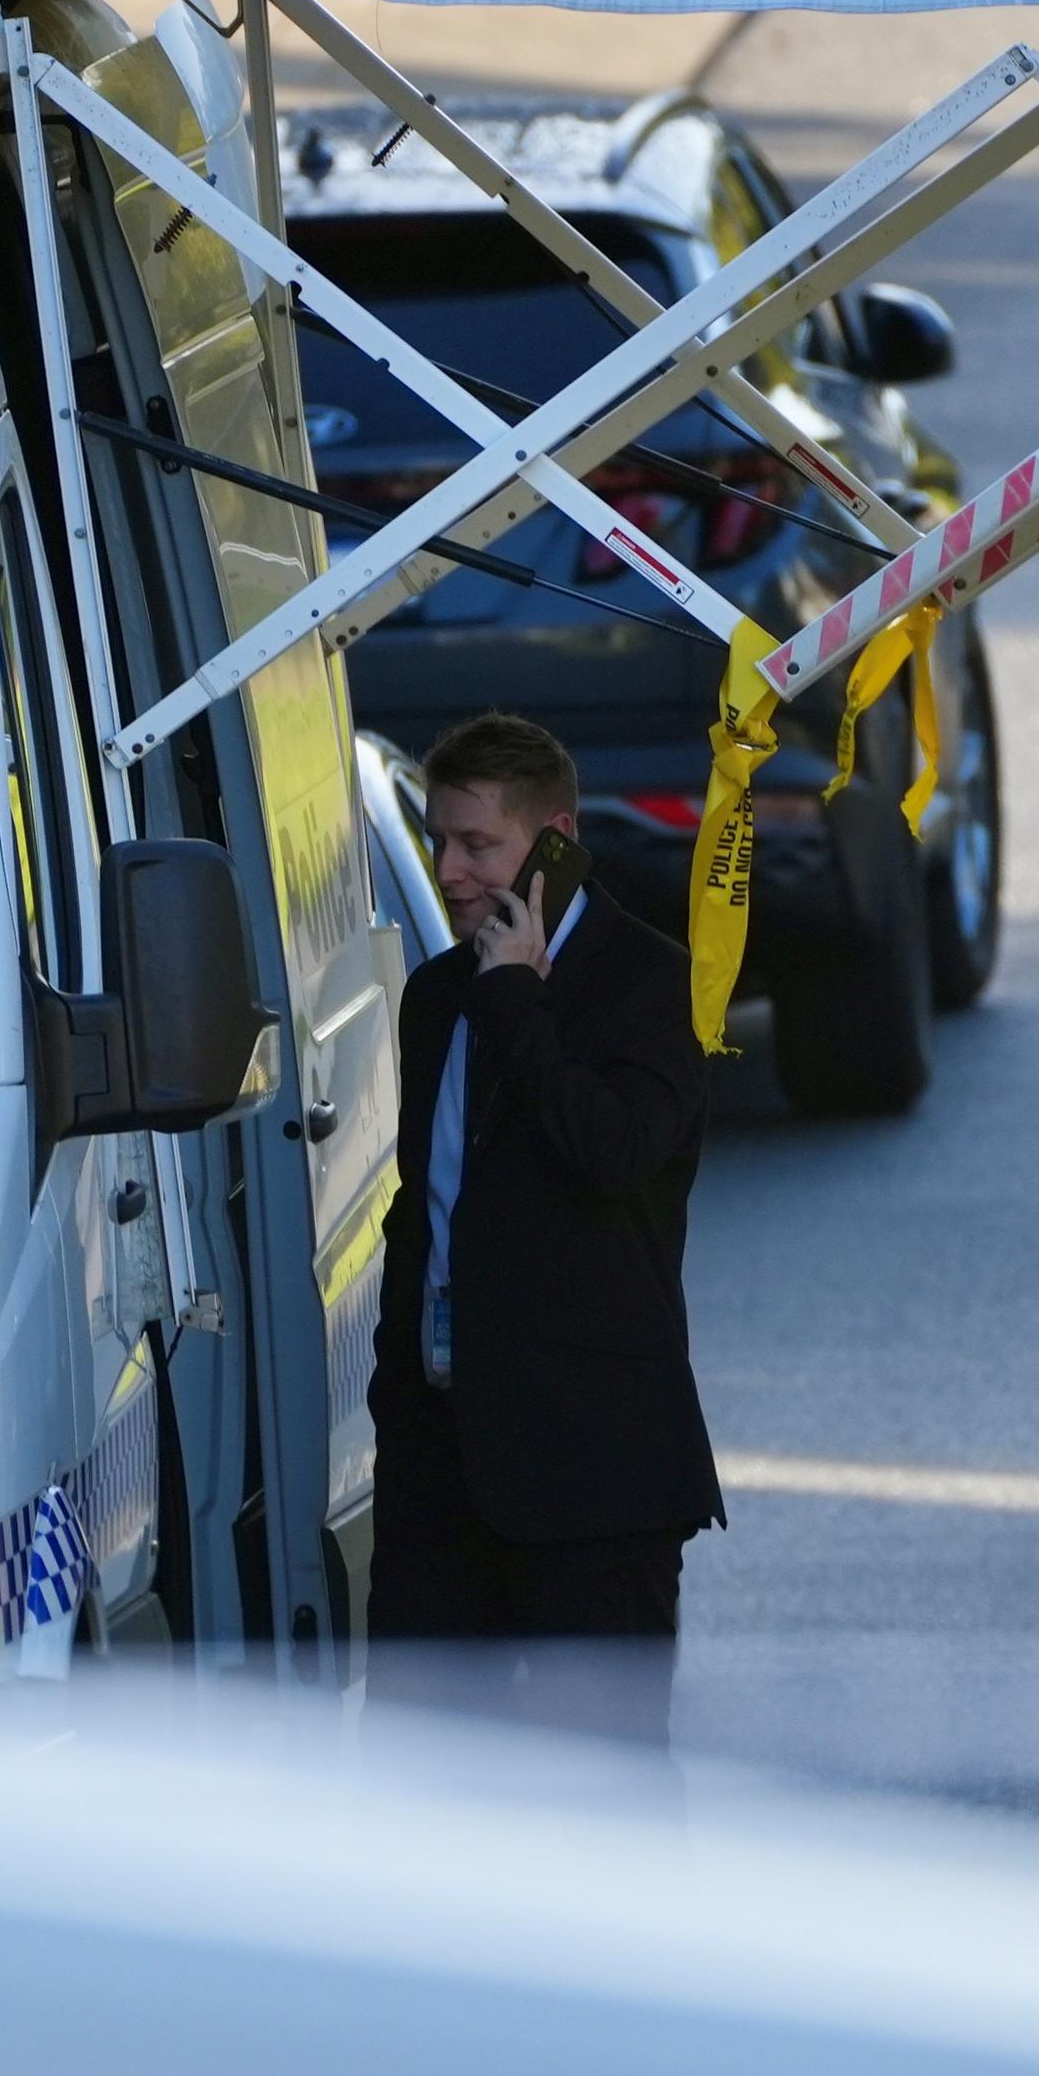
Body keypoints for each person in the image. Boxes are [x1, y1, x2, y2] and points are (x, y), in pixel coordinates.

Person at [368, 712, 723, 1745]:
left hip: (590, 1482)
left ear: (555, 838)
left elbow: (611, 1154)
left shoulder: (652, 985)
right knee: (417, 1778)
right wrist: (400, 1394)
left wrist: (518, 1000)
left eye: (477, 844)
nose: (448, 868)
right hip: (441, 1464)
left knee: (599, 1801)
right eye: (438, 840)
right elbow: (420, 1205)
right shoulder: (435, 997)